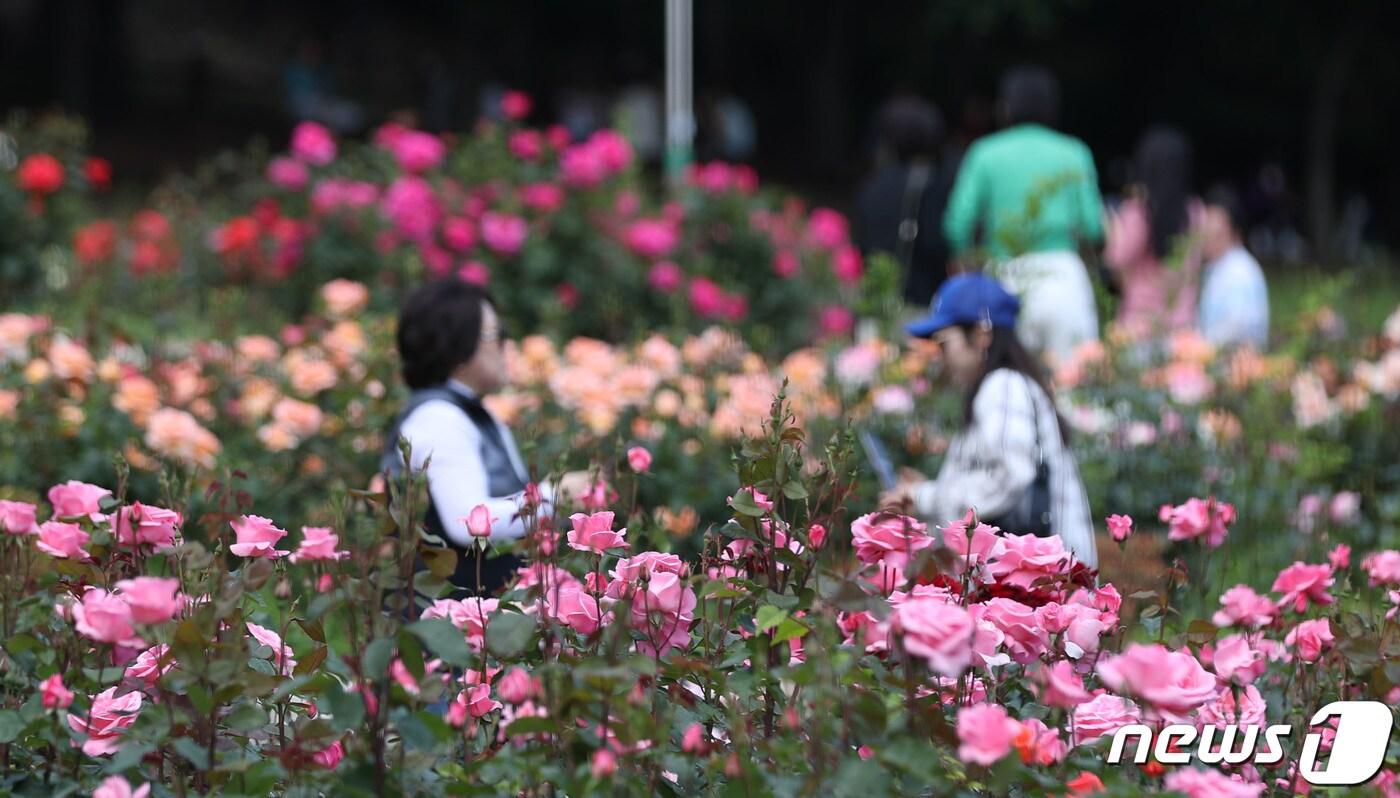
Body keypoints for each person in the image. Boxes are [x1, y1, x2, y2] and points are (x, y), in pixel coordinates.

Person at [381, 279, 590, 597]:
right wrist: (556, 496)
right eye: (496, 334)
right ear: (458, 345)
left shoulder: (469, 413)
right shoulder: (439, 418)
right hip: (449, 616)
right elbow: (467, 521)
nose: (505, 345)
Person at [881, 273, 1099, 570]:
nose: (940, 357)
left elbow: (1010, 476)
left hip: (1046, 583)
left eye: (944, 343)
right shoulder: (1004, 385)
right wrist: (932, 488)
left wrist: (922, 496)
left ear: (982, 335)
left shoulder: (1004, 386)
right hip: (1045, 582)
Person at [941, 65, 1105, 364]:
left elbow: (956, 225)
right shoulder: (1073, 151)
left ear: (1005, 106)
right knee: (1075, 377)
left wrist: (967, 262)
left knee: (1006, 376)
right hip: (1063, 274)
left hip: (1005, 275)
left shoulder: (985, 152)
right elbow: (1094, 228)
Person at [1102, 126, 1202, 341]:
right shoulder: (1196, 212)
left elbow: (1115, 261)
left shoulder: (1139, 212)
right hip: (1183, 333)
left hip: (1138, 330)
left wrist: (1113, 226)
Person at [854, 94, 952, 308]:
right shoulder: (933, 185)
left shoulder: (872, 185)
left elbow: (862, 244)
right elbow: (935, 244)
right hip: (920, 300)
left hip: (877, 301)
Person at [1196, 185, 1269, 349]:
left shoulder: (1240, 271)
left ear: (1233, 231)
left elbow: (1237, 332)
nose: (1204, 239)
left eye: (1214, 232)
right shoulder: (1220, 268)